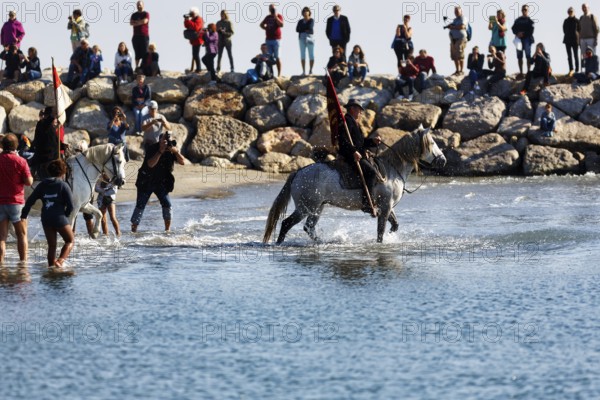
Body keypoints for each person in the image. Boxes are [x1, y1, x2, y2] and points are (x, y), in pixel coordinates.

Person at [21, 159, 74, 269]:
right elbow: (71, 206)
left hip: (46, 218)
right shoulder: (63, 185)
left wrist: (24, 216)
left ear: (49, 171)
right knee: (70, 240)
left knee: (52, 245)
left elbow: (30, 201)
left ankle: (51, 268)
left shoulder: (41, 185)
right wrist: (65, 215)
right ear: (63, 172)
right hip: (59, 218)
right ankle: (60, 261)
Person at [130, 132, 185, 233]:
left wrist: (176, 152)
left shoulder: (172, 149)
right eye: (164, 141)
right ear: (159, 141)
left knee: (167, 204)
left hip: (161, 182)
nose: (166, 144)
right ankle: (134, 230)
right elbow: (150, 164)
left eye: (168, 142)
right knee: (140, 205)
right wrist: (160, 151)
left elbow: (182, 162)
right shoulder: (152, 148)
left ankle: (167, 230)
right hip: (146, 181)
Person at [337, 99, 381, 215]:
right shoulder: (346, 121)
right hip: (349, 156)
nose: (361, 112)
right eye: (360, 110)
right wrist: (353, 152)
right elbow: (343, 141)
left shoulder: (354, 122)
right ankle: (367, 203)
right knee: (371, 172)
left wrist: (373, 141)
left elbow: (360, 142)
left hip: (357, 154)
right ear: (352, 109)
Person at [0, 134, 33, 264]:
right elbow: (29, 182)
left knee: (2, 237)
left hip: (1, 202)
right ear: (16, 146)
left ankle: (1, 266)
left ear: (2, 146)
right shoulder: (21, 161)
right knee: (22, 235)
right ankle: (23, 265)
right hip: (16, 202)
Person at [30, 107, 67, 179]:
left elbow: (55, 143)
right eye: (55, 118)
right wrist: (53, 116)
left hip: (54, 159)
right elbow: (46, 123)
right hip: (45, 162)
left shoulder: (51, 128)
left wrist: (63, 146)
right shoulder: (41, 124)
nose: (56, 120)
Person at [511, 4, 535, 78]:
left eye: (526, 10)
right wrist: (517, 33)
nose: (524, 11)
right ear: (521, 10)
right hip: (519, 40)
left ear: (528, 11)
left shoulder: (530, 21)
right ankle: (521, 72)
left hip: (527, 39)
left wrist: (523, 34)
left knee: (528, 56)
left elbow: (531, 31)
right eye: (523, 9)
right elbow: (513, 28)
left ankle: (528, 72)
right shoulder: (518, 20)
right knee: (519, 57)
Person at [260, 4, 284, 77]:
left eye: (273, 9)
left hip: (276, 39)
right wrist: (265, 28)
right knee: (268, 58)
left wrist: (275, 17)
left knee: (277, 57)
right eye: (270, 9)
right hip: (268, 39)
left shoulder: (279, 16)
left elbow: (281, 25)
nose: (272, 10)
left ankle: (279, 74)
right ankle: (270, 74)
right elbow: (261, 24)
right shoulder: (267, 17)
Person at [95, 173, 121, 237]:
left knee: (112, 217)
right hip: (101, 199)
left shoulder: (114, 178)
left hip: (111, 199)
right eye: (103, 172)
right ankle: (105, 235)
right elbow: (96, 188)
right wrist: (105, 190)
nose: (105, 173)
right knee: (102, 219)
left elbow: (114, 191)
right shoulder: (99, 177)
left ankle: (118, 233)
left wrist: (103, 191)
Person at [444, 6, 467, 76]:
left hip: (460, 38)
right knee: (454, 55)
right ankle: (457, 70)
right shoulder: (455, 20)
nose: (456, 12)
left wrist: (453, 27)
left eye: (457, 11)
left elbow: (462, 26)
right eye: (455, 11)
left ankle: (461, 70)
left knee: (460, 54)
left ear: (461, 11)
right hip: (453, 39)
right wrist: (449, 26)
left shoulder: (463, 18)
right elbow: (453, 25)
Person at [130, 0, 150, 68]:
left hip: (144, 36)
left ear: (143, 5)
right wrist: (139, 22)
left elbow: (145, 21)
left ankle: (145, 67)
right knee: (137, 52)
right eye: (138, 5)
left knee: (145, 52)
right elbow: (131, 23)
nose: (139, 6)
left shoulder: (146, 13)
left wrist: (137, 22)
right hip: (136, 36)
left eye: (140, 4)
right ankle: (137, 67)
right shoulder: (134, 15)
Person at [183, 7, 204, 74]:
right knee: (194, 54)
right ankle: (197, 68)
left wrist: (189, 21)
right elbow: (186, 26)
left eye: (192, 13)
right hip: (194, 40)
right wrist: (186, 20)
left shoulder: (199, 19)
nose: (191, 15)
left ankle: (199, 68)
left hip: (198, 39)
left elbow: (196, 27)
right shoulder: (192, 19)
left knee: (196, 54)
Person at [296, 7, 315, 76]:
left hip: (310, 38)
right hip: (301, 38)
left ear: (309, 12)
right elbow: (297, 29)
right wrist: (305, 29)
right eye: (304, 11)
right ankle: (303, 71)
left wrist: (303, 28)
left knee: (311, 55)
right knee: (302, 55)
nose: (305, 12)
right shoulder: (300, 21)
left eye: (306, 11)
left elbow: (310, 28)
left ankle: (310, 70)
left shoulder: (311, 20)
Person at [564, 7, 581, 76]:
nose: (570, 13)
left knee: (576, 56)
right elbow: (564, 29)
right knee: (569, 56)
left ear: (574, 12)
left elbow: (580, 30)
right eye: (569, 12)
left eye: (571, 11)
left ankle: (577, 70)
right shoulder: (566, 21)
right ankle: (571, 70)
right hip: (567, 40)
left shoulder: (577, 20)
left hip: (575, 40)